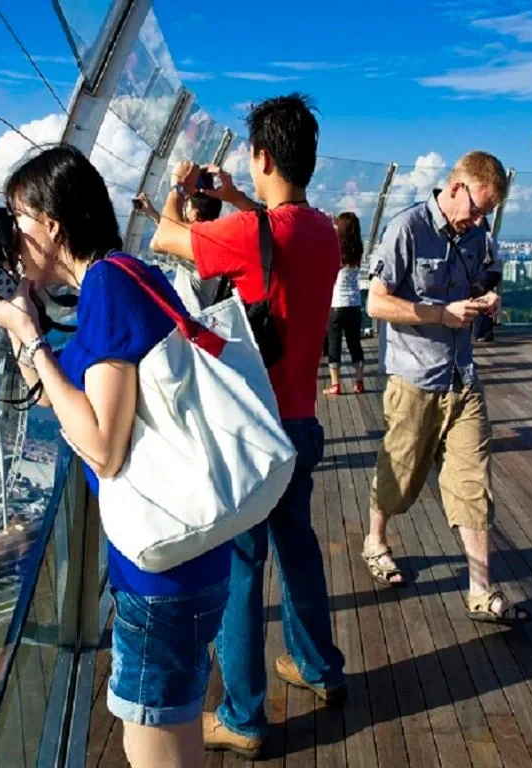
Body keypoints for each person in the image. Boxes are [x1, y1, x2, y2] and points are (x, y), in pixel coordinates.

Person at [0, 144, 231, 768]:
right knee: (167, 731)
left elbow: (100, 445)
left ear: (53, 224)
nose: (13, 237)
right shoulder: (125, 275)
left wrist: (31, 337)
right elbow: (65, 401)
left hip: (162, 574)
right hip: (184, 555)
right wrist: (26, 327)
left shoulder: (107, 287)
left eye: (19, 221)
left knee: (151, 745)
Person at [148, 93, 346, 760]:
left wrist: (181, 191)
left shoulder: (250, 233)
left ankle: (243, 716)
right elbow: (277, 231)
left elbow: (162, 239)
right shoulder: (323, 231)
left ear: (260, 155)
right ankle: (319, 667)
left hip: (254, 432)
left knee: (242, 569)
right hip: (304, 425)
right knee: (299, 552)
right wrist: (238, 197)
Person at [363, 150, 530, 626]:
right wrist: (439, 313)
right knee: (400, 472)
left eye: (487, 213)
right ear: (455, 186)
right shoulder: (407, 229)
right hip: (414, 378)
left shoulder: (477, 236)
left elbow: (485, 278)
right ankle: (376, 538)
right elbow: (376, 303)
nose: (478, 220)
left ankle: (480, 589)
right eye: (476, 208)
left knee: (474, 483)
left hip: (463, 377)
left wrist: (491, 299)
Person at [134, 183, 224, 311]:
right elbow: (173, 236)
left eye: (186, 205)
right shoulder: (209, 241)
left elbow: (160, 242)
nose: (183, 208)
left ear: (195, 215)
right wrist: (153, 214)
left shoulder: (196, 247)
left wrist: (177, 190)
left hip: (192, 320)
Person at [324, 212, 366, 396]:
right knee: (354, 344)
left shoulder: (335, 248)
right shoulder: (357, 249)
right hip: (354, 304)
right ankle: (359, 383)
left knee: (334, 345)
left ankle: (335, 385)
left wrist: (330, 224)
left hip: (336, 305)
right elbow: (346, 234)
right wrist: (336, 224)